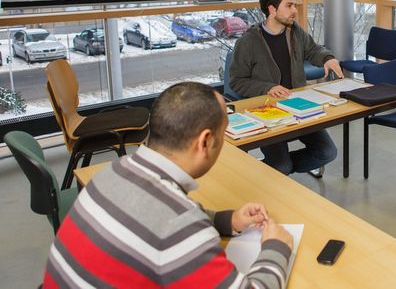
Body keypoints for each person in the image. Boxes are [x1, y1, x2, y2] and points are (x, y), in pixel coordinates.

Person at [44, 82, 293, 288]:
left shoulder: (116, 169)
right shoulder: (179, 225)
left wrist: (228, 221)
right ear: (205, 141)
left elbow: (156, 216)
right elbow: (173, 222)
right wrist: (277, 247)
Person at [229, 0, 343, 175]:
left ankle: (276, 172)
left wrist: (327, 58)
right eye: (289, 6)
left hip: (299, 106)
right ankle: (278, 170)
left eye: (294, 5)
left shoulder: (295, 32)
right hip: (269, 112)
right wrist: (268, 87)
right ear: (272, 9)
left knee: (327, 152)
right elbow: (237, 81)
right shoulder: (248, 42)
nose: (295, 11)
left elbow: (314, 50)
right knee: (282, 166)